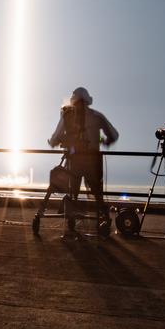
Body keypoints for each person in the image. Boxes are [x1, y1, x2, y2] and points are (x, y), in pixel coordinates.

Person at [48, 86, 118, 238]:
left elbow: (56, 136)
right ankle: (103, 221)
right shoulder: (97, 116)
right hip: (93, 160)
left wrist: (53, 141)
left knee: (73, 191)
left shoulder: (67, 115)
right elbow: (114, 134)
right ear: (87, 101)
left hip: (75, 160)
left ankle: (71, 224)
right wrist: (104, 141)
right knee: (97, 193)